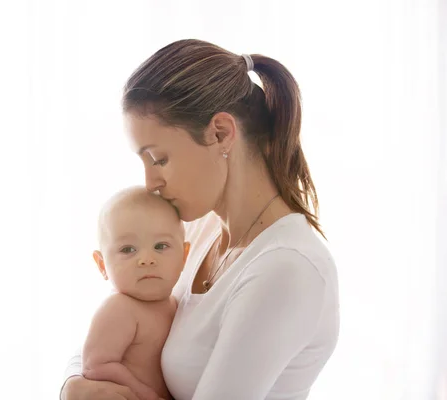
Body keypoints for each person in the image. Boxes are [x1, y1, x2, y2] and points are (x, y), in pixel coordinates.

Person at [60, 38, 340, 400]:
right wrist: (72, 384)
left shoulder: (286, 268)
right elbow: (113, 329)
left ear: (220, 133)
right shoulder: (199, 229)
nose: (150, 182)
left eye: (159, 158)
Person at [81, 186, 190, 400]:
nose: (147, 259)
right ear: (102, 264)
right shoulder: (119, 308)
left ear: (184, 255)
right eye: (128, 249)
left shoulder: (175, 302)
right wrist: (143, 394)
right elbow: (95, 366)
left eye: (161, 246)